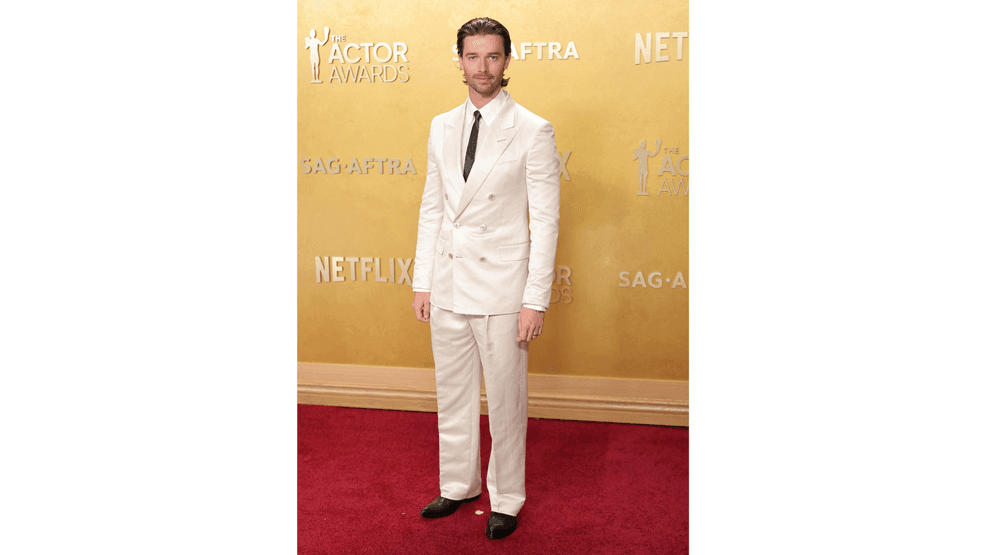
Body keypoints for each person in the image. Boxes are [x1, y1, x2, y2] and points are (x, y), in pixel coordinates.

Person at [410, 17, 560, 540]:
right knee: (451, 392)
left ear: (507, 60)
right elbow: (433, 207)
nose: (482, 68)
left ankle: (508, 497)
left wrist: (534, 299)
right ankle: (458, 485)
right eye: (472, 57)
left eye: (492, 57)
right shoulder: (440, 125)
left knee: (505, 398)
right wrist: (421, 280)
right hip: (448, 282)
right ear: (459, 59)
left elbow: (544, 221)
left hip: (502, 288)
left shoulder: (533, 129)